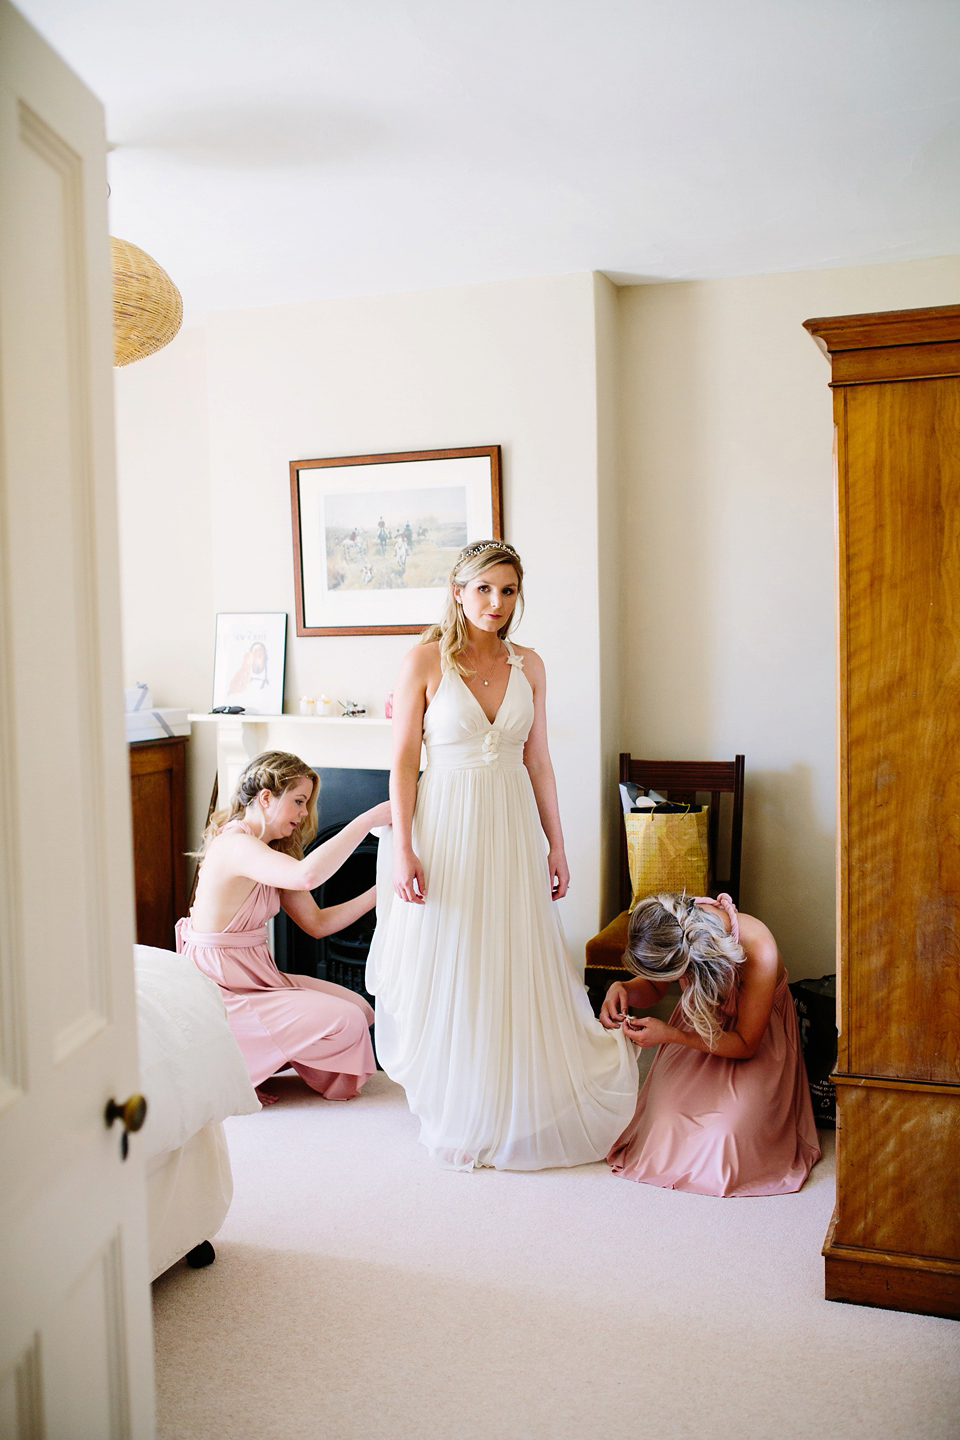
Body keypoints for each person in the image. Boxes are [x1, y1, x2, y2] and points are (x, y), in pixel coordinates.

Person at [366, 540, 638, 1170]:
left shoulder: (531, 664)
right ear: (459, 592)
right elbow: (404, 763)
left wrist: (558, 846)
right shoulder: (424, 661)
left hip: (511, 823)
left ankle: (515, 1093)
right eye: (484, 589)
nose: (496, 602)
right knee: (457, 954)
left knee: (509, 952)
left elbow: (538, 760)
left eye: (508, 590)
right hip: (447, 825)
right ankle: (462, 1102)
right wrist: (404, 847)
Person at [179, 751, 390, 1103]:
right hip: (225, 984)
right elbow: (307, 875)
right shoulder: (234, 845)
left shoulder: (269, 852)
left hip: (255, 975)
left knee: (361, 1009)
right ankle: (236, 1064)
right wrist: (366, 820)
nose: (305, 813)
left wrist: (383, 890)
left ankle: (250, 1056)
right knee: (347, 1020)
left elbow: (317, 924)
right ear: (266, 798)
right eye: (298, 801)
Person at [601, 892, 821, 1196]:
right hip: (698, 1023)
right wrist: (622, 987)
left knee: (723, 1140)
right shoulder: (674, 927)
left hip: (750, 1040)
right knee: (664, 1126)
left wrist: (672, 1035)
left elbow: (745, 1044)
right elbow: (653, 986)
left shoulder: (759, 949)